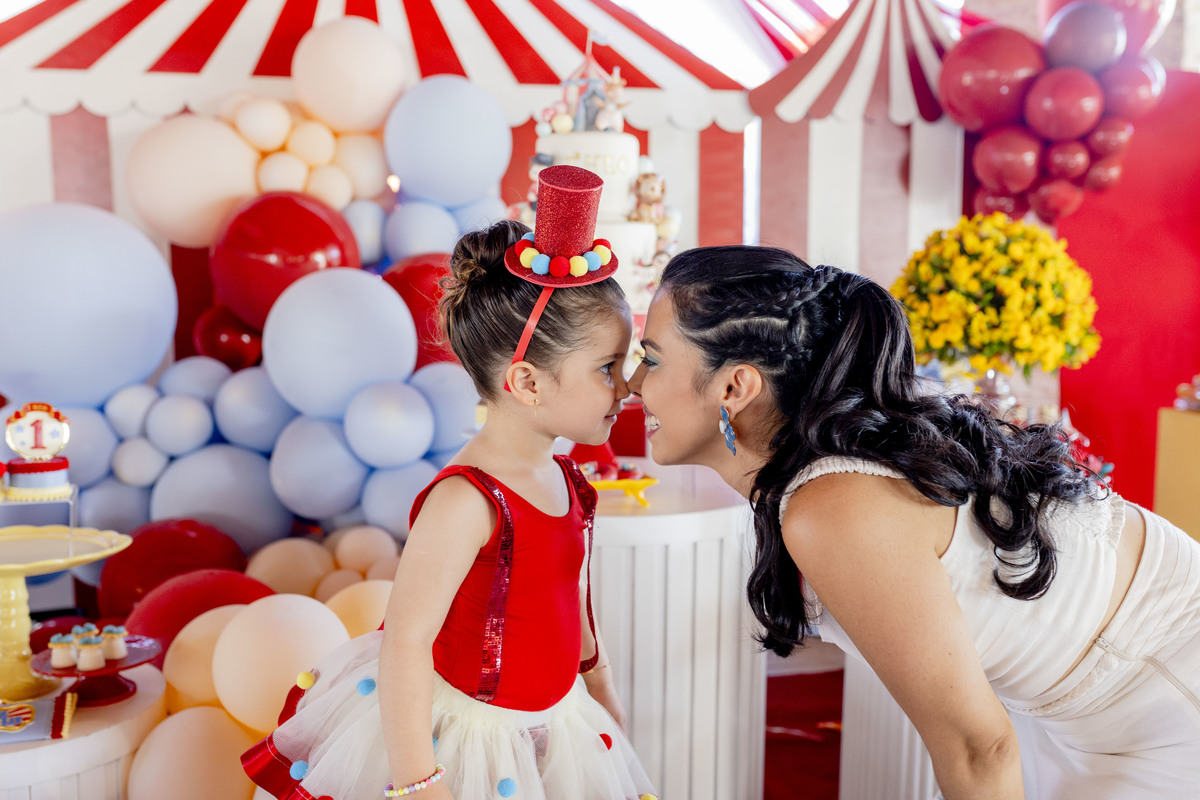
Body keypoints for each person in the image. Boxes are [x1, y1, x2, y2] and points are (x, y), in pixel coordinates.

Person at [627, 244, 1200, 799]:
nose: (631, 385)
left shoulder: (833, 508)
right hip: (1079, 706)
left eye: (650, 359)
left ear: (734, 387)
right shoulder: (829, 472)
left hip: (1166, 692)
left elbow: (979, 750)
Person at [243, 166, 657, 800]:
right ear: (527, 383)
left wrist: (601, 686)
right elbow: (406, 642)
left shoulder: (566, 478)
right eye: (607, 368)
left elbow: (571, 597)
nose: (627, 387)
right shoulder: (467, 500)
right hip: (467, 740)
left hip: (557, 721)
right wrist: (420, 782)